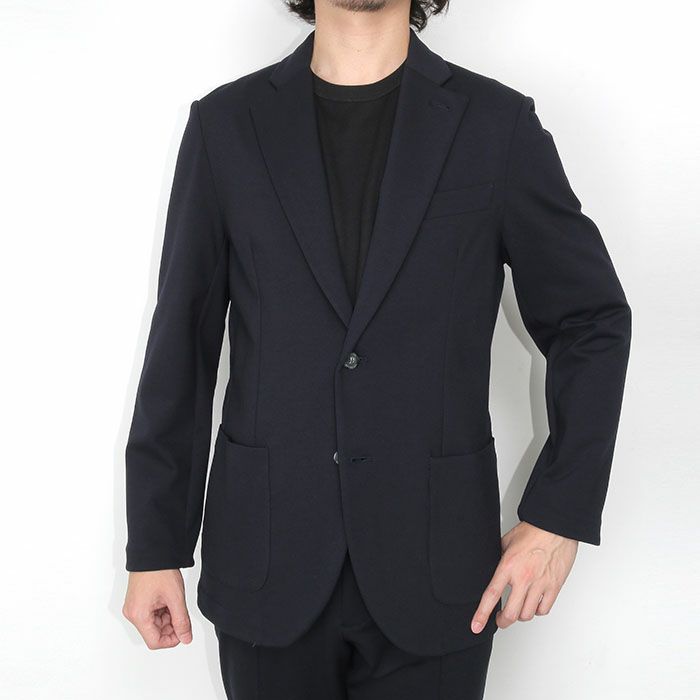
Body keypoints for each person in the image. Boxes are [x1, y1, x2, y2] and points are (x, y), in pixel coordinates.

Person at [121, 1, 632, 698]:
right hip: (268, 562)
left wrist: (558, 517)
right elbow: (182, 341)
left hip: (439, 570)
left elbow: (591, 320)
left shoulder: (496, 125)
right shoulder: (227, 126)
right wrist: (156, 545)